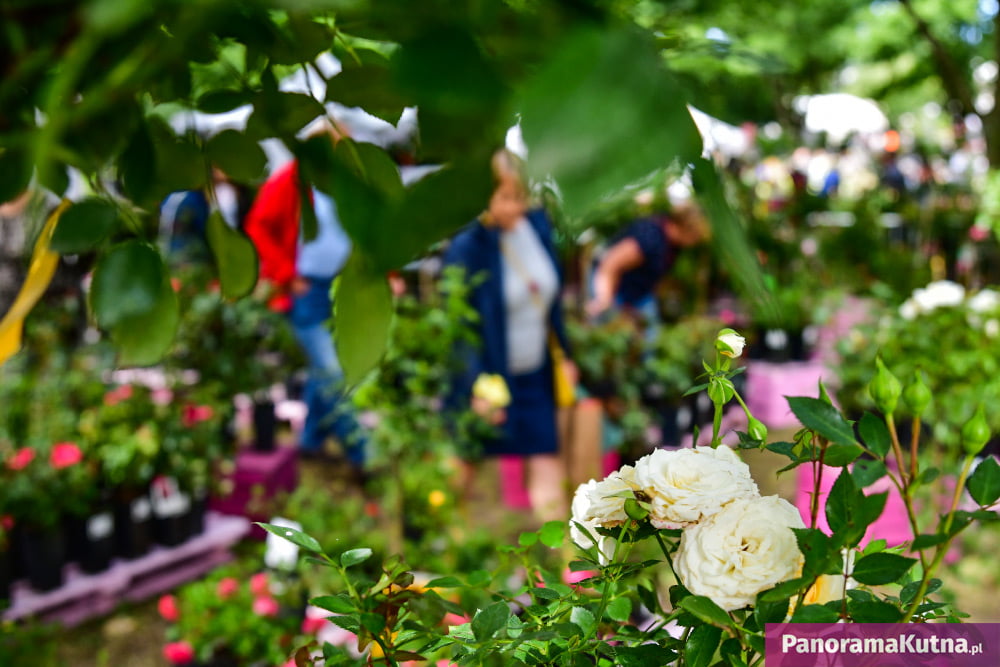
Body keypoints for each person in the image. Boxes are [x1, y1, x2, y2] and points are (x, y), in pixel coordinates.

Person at [444, 148, 571, 523]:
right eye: (505, 197)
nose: (516, 206)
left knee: (546, 455)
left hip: (535, 372)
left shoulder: (536, 228)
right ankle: (444, 539)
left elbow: (552, 302)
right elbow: (460, 324)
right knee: (465, 461)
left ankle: (566, 553)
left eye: (520, 196)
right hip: (489, 378)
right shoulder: (468, 247)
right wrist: (477, 386)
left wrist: (566, 354)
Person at [243, 124, 366, 470]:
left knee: (322, 371)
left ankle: (310, 441)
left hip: (340, 289)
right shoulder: (292, 179)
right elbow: (258, 225)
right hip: (307, 291)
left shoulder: (347, 183)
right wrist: (285, 274)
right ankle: (364, 454)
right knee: (333, 373)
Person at [586, 201, 710, 330]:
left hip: (638, 294)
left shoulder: (674, 246)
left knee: (649, 330)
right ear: (688, 229)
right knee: (606, 329)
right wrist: (604, 299)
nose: (696, 242)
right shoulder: (650, 237)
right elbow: (611, 263)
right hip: (610, 284)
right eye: (697, 236)